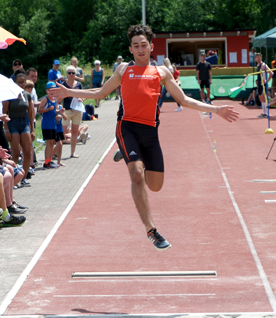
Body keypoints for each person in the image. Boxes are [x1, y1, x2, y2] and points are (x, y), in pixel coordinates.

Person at [53, 24, 239, 250]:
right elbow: (100, 93)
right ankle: (151, 230)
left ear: (151, 47)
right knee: (137, 175)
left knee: (156, 186)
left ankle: (127, 153)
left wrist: (215, 109)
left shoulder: (161, 72)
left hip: (150, 131)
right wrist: (69, 92)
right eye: (135, 46)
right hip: (127, 127)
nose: (140, 49)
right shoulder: (123, 70)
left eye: (144, 45)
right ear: (130, 49)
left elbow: (184, 100)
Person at [3, 74, 36, 181]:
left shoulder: (27, 95)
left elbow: (31, 114)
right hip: (12, 123)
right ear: (15, 83)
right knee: (16, 153)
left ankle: (24, 177)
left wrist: (33, 130)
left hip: (24, 123)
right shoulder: (10, 96)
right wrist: (7, 129)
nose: (21, 84)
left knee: (27, 152)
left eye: (23, 82)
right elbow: (4, 113)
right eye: (19, 82)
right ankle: (13, 177)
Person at [39, 82, 64, 169]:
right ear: (47, 91)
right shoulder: (45, 99)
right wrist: (48, 109)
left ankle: (50, 160)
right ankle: (46, 162)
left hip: (53, 124)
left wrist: (59, 112)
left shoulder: (55, 100)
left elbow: (54, 112)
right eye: (50, 90)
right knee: (49, 143)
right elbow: (39, 110)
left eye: (53, 90)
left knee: (52, 142)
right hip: (47, 124)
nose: (51, 92)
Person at [62, 66, 84, 159]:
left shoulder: (78, 84)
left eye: (73, 73)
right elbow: (59, 97)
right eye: (69, 73)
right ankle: (57, 152)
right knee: (62, 132)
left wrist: (82, 98)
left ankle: (72, 152)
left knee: (75, 132)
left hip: (77, 110)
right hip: (66, 110)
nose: (71, 75)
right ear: (66, 74)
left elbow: (84, 95)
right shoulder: (63, 85)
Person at [254, 53, 273, 118]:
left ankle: (266, 113)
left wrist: (266, 81)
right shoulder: (257, 65)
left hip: (263, 84)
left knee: (263, 97)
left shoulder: (263, 65)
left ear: (261, 58)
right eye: (257, 57)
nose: (258, 58)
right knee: (261, 98)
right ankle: (264, 112)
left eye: (259, 57)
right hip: (259, 84)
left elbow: (271, 73)